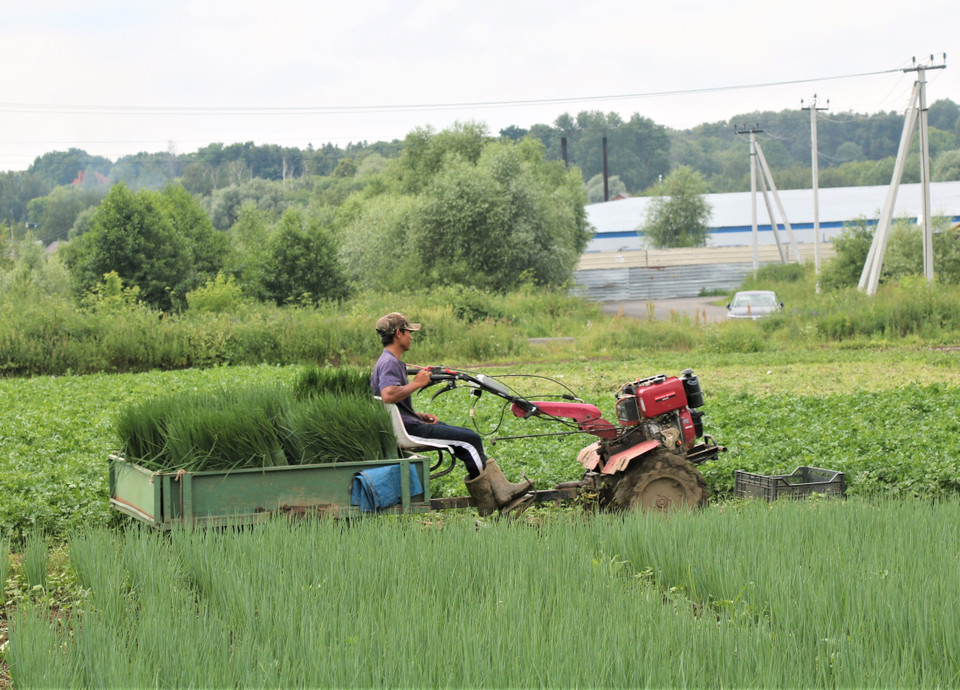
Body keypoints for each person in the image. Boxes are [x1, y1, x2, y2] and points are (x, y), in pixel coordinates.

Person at [370, 312, 532, 515]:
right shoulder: (390, 362)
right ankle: (491, 501)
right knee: (470, 439)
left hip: (409, 423)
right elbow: (388, 395)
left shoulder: (388, 360)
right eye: (409, 332)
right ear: (398, 334)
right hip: (408, 430)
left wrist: (418, 415)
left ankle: (501, 491)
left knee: (463, 441)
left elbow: (393, 405)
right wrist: (417, 383)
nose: (411, 336)